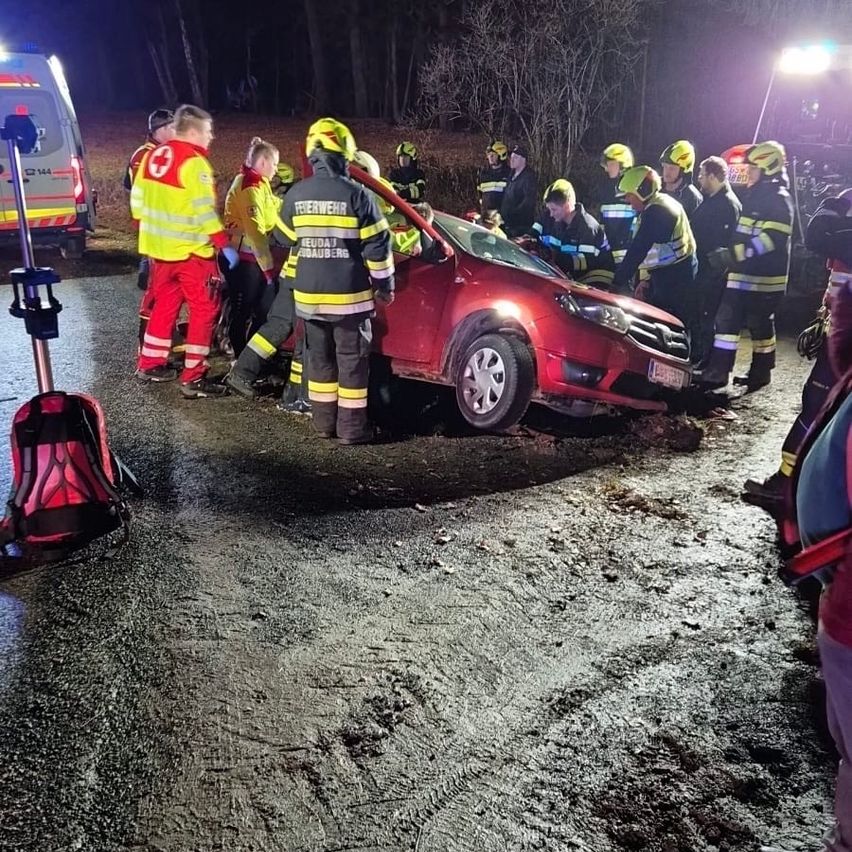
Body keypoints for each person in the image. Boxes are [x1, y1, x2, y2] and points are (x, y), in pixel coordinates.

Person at [228, 117, 394, 444]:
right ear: (344, 154)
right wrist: (385, 285)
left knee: (319, 363)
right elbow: (379, 245)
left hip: (308, 299)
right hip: (349, 301)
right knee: (351, 365)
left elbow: (283, 237)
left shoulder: (297, 194)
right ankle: (351, 429)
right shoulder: (359, 196)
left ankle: (323, 424)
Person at [744, 189, 852, 514]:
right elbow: (821, 236)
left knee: (820, 405)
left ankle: (789, 488)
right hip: (840, 323)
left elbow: (824, 236)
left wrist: (838, 216)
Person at [132, 104, 237, 398]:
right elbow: (204, 212)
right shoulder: (194, 164)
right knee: (204, 309)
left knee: (165, 305)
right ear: (192, 132)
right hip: (191, 252)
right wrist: (223, 245)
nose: (211, 137)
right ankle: (194, 377)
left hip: (159, 251)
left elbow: (137, 203)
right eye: (208, 131)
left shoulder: (153, 156)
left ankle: (150, 363)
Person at [697, 141, 793, 391]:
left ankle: (735, 372)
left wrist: (732, 255)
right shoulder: (758, 196)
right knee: (744, 323)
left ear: (768, 169)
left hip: (761, 280)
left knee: (742, 323)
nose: (748, 173)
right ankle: (743, 372)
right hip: (748, 277)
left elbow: (770, 240)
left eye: (753, 169)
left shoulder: (778, 200)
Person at [613, 165, 698, 334]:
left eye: (629, 197)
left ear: (642, 191)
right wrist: (646, 279)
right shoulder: (658, 205)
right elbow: (651, 251)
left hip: (675, 277)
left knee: (668, 325)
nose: (629, 203)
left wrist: (617, 283)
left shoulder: (658, 213)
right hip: (672, 272)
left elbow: (638, 249)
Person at [223, 136, 285, 357]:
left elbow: (273, 207)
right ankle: (238, 357)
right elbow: (256, 232)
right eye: (275, 164)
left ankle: (248, 353)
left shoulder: (259, 183)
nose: (277, 169)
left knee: (260, 308)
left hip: (251, 257)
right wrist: (268, 269)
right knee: (244, 310)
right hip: (243, 258)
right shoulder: (249, 187)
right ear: (262, 163)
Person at [125, 108, 175, 344]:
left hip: (161, 231)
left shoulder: (157, 153)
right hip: (157, 232)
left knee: (162, 287)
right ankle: (147, 341)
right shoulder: (147, 156)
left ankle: (159, 336)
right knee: (157, 289)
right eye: (173, 127)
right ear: (161, 129)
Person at [691, 155, 742, 364]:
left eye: (702, 175)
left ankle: (707, 360)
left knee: (707, 317)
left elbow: (723, 243)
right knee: (702, 315)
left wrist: (713, 272)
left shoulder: (726, 204)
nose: (700, 180)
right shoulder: (714, 201)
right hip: (704, 268)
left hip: (712, 272)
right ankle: (701, 357)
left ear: (712, 176)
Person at [532, 179, 615, 288]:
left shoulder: (587, 227)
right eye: (549, 209)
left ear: (567, 205)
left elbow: (585, 262)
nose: (551, 214)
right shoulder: (551, 217)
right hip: (570, 277)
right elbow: (533, 235)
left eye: (554, 209)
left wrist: (554, 257)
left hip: (595, 278)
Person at [593, 142, 637, 268]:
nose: (606, 169)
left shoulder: (635, 189)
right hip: (608, 255)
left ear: (623, 165)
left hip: (628, 259)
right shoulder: (606, 190)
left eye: (610, 164)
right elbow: (602, 222)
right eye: (606, 165)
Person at [500, 144, 538, 239]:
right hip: (507, 225)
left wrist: (512, 215)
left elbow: (528, 203)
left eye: (515, 158)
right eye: (511, 157)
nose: (511, 160)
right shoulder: (511, 175)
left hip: (520, 227)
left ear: (523, 160)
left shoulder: (528, 178)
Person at [660, 140, 703, 219]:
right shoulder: (655, 187)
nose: (667, 172)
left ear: (684, 170)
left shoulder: (693, 198)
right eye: (665, 166)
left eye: (672, 168)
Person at [477, 141, 512, 216]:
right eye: (489, 155)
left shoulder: (509, 174)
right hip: (486, 218)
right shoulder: (483, 174)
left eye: (493, 155)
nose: (490, 157)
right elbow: (480, 195)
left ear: (501, 156)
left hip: (503, 219)